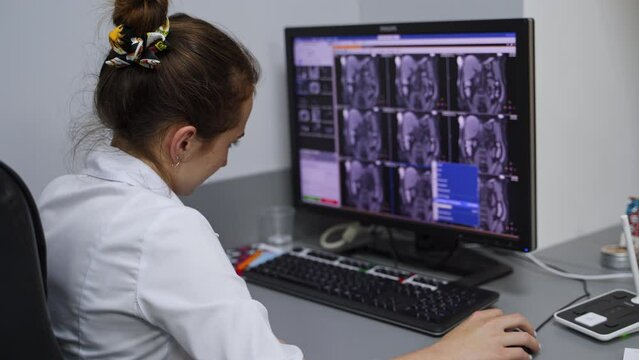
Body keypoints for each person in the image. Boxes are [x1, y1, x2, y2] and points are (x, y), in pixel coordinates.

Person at [38, 1, 540, 359]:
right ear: (183, 142)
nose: (227, 163)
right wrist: (449, 354)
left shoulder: (58, 199)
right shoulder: (165, 233)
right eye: (230, 142)